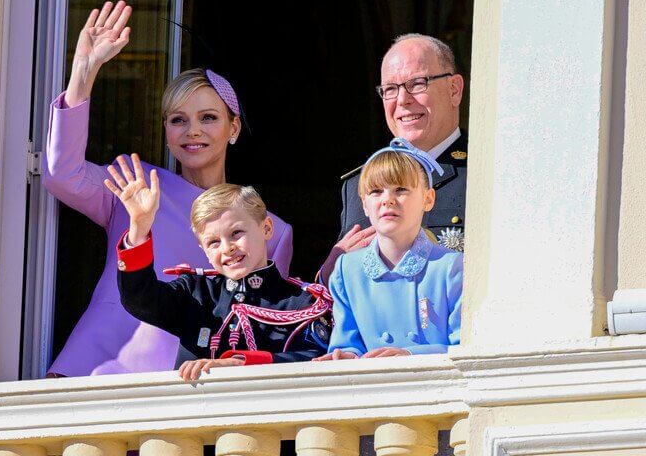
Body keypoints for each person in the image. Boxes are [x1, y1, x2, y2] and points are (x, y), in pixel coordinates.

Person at [43, 1, 293, 377]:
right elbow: (62, 174)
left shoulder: (269, 226)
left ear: (234, 128)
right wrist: (84, 70)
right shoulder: (137, 183)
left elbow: (268, 322)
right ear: (167, 132)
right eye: (179, 120)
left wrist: (329, 274)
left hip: (189, 389)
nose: (192, 130)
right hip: (98, 372)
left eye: (208, 118)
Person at [107, 175, 329, 381]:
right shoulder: (196, 293)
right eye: (213, 242)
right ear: (203, 249)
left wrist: (243, 363)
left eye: (236, 233)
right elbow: (140, 300)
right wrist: (139, 228)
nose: (227, 248)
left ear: (267, 228)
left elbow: (317, 359)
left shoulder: (301, 302)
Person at [321, 33, 467, 284]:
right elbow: (337, 290)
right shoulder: (360, 183)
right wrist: (329, 271)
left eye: (418, 83)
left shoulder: (485, 172)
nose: (402, 100)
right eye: (390, 89)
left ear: (454, 90)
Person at [314, 138, 462, 361]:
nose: (388, 200)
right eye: (375, 191)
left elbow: (465, 348)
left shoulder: (451, 267)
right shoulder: (347, 270)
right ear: (364, 203)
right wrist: (343, 356)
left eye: (400, 189)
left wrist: (410, 354)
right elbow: (347, 342)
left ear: (428, 199)